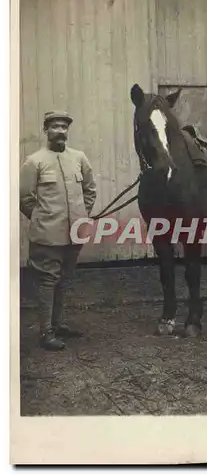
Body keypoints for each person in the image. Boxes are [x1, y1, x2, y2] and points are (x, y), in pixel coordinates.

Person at [20, 111, 97, 351]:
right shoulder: (35, 161)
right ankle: (46, 332)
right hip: (46, 236)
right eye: (54, 126)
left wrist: (80, 216)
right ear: (46, 130)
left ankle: (58, 324)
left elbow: (90, 190)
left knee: (64, 279)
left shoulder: (79, 158)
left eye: (64, 126)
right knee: (47, 281)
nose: (60, 130)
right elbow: (23, 197)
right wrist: (42, 219)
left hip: (74, 234)